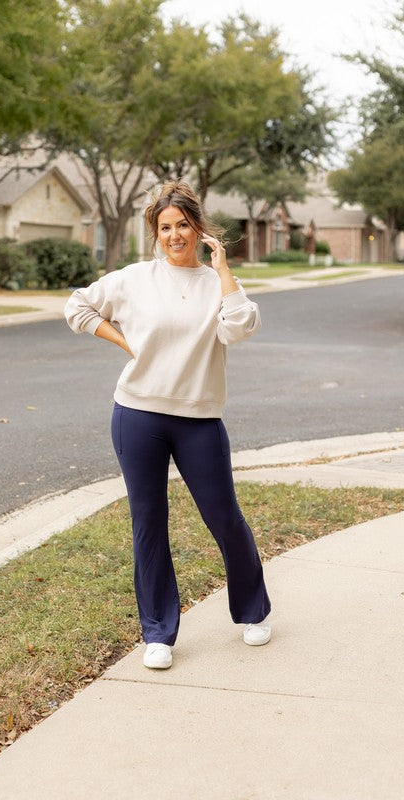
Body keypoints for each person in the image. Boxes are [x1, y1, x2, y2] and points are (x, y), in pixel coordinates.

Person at [65, 180, 271, 670]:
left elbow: (239, 328)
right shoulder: (134, 279)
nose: (175, 235)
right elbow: (77, 306)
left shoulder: (216, 284)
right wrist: (123, 342)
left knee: (224, 517)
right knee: (149, 521)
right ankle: (158, 632)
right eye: (165, 228)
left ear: (198, 228)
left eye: (183, 225)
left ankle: (252, 610)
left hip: (199, 420)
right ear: (154, 234)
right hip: (137, 415)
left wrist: (224, 271)